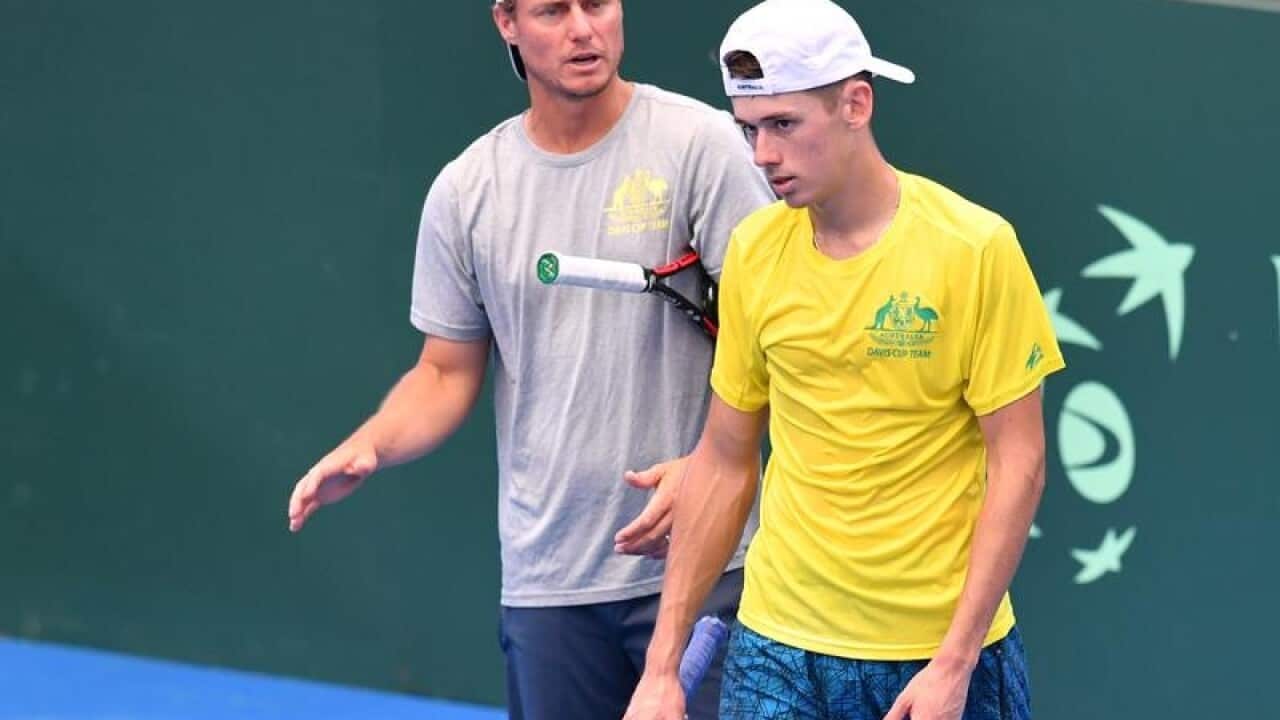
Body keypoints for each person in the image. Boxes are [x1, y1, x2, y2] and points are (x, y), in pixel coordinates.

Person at [285, 1, 773, 718]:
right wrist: (371, 445)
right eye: (552, 9)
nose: (583, 28)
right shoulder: (467, 191)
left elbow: (773, 341)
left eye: (598, 4)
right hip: (549, 588)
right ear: (506, 22)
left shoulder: (702, 147)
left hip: (705, 568)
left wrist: (706, 465)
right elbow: (445, 371)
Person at [623, 1, 1065, 718]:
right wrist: (662, 667)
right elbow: (727, 458)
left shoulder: (976, 248)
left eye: (784, 125)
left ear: (856, 103)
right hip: (776, 648)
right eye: (749, 129)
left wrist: (953, 662)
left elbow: (1021, 463)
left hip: (938, 654)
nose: (762, 154)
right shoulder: (757, 253)